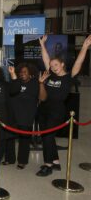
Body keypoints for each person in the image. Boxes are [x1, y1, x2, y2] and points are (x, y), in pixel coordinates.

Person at [36, 35, 91, 176]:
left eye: (56, 65)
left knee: (48, 136)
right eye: (52, 65)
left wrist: (84, 47)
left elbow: (78, 63)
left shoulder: (68, 77)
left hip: (57, 111)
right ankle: (55, 161)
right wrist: (42, 44)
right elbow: (46, 58)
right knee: (46, 137)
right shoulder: (51, 75)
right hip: (43, 109)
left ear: (62, 64)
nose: (53, 67)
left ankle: (47, 165)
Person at [4, 63, 40, 169]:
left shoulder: (35, 83)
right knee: (9, 138)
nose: (22, 74)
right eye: (21, 72)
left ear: (30, 74)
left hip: (26, 116)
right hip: (13, 115)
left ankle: (22, 161)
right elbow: (11, 92)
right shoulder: (16, 82)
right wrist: (13, 77)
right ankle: (9, 158)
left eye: (25, 72)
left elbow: (38, 98)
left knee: (24, 140)